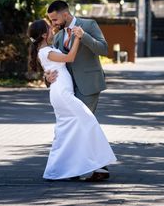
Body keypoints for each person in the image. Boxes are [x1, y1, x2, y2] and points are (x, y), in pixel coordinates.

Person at [28, 19, 116, 181]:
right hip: (62, 93)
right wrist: (78, 38)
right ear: (43, 34)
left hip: (63, 91)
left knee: (67, 131)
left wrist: (47, 74)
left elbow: (53, 66)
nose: (53, 28)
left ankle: (64, 169)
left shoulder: (48, 48)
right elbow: (70, 58)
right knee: (87, 122)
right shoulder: (45, 51)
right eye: (49, 27)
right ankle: (95, 164)